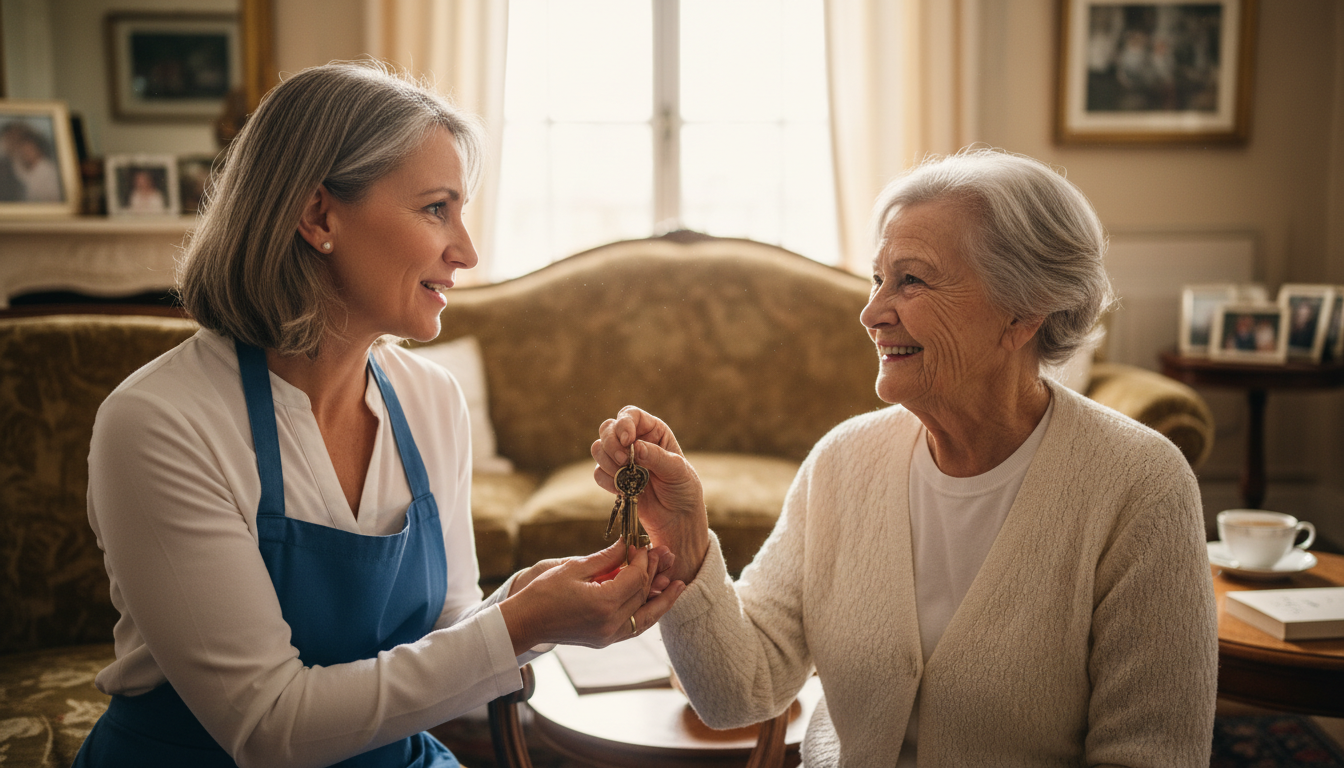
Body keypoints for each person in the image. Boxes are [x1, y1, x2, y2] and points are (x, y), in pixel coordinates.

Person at [74, 61, 682, 768]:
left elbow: (445, 637)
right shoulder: (158, 424)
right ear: (318, 216)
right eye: (436, 209)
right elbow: (270, 728)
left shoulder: (430, 400)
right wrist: (520, 625)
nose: (467, 252)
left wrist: (535, 605)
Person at [593, 149, 1218, 766]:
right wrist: (682, 530)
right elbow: (739, 690)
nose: (870, 313)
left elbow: (1150, 754)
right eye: (877, 279)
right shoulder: (843, 463)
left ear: (1024, 311)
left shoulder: (1140, 485)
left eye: (911, 280)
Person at [0, 120, 62, 202]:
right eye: (24, 151)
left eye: (30, 150)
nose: (26, 154)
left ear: (39, 149)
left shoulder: (48, 170)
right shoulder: (23, 167)